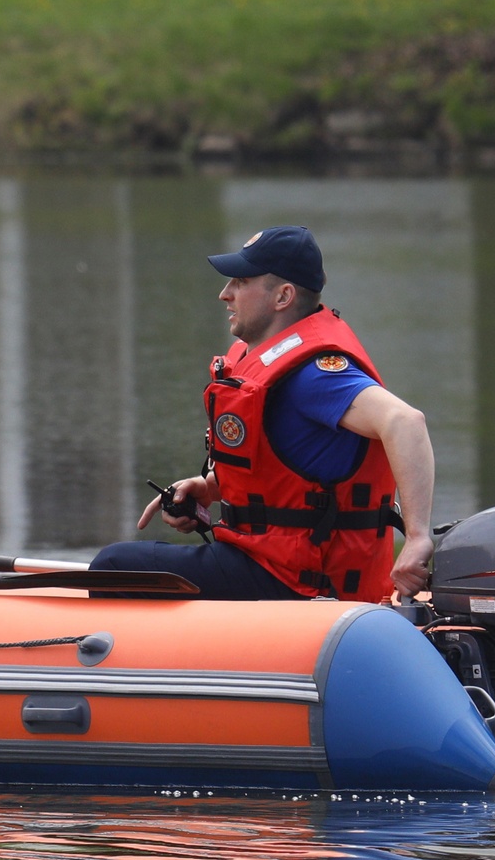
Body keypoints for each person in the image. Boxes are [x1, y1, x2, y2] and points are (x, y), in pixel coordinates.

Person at [90, 225, 434, 601]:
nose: (225, 294)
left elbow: (405, 422)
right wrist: (209, 489)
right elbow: (295, 475)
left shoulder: (315, 374)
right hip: (261, 561)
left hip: (299, 582)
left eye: (240, 281)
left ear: (283, 296)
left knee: (113, 565)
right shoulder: (264, 362)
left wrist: (417, 538)